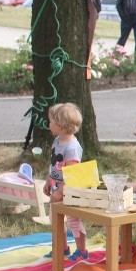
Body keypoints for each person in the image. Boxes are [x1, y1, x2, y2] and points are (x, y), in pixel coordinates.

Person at [43, 103, 88, 261]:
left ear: (60, 125)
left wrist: (60, 192)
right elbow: (55, 165)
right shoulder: (57, 140)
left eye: (51, 122)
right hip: (56, 189)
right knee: (55, 220)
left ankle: (82, 250)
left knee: (73, 221)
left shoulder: (72, 148)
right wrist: (49, 181)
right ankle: (62, 248)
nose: (49, 124)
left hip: (68, 192)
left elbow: (71, 175)